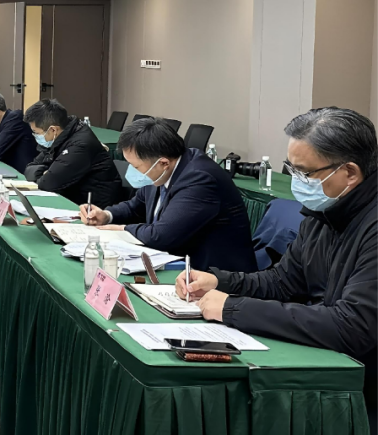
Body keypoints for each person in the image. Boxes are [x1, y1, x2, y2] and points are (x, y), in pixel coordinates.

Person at [175, 108, 378, 428]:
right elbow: (284, 281)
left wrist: (233, 308)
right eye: (291, 169)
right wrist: (220, 282)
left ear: (349, 172)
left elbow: (352, 327)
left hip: (360, 392)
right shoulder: (325, 211)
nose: (297, 182)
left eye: (305, 173)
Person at [81, 117, 256, 272]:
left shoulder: (199, 179)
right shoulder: (161, 171)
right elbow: (135, 206)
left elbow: (162, 236)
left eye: (136, 167)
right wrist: (107, 215)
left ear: (163, 163)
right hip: (178, 262)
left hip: (215, 276)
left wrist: (123, 230)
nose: (133, 171)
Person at [23, 99, 126, 207]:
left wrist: (48, 172)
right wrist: (46, 171)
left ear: (53, 130)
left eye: (36, 132)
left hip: (94, 208)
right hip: (75, 199)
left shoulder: (80, 145)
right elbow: (30, 168)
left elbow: (47, 184)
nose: (35, 136)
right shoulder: (59, 138)